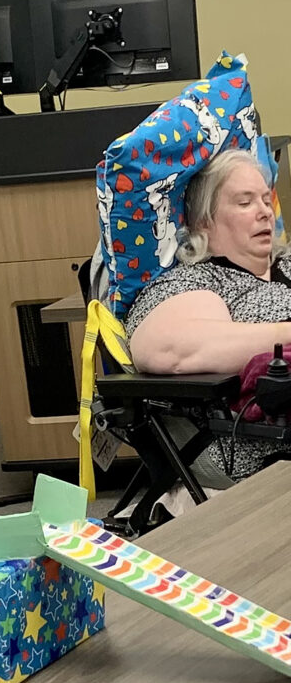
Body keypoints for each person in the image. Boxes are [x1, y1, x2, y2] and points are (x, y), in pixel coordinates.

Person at [126, 147, 286, 481]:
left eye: (264, 199)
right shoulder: (198, 280)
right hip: (260, 448)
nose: (264, 213)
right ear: (203, 221)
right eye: (245, 202)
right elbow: (168, 349)